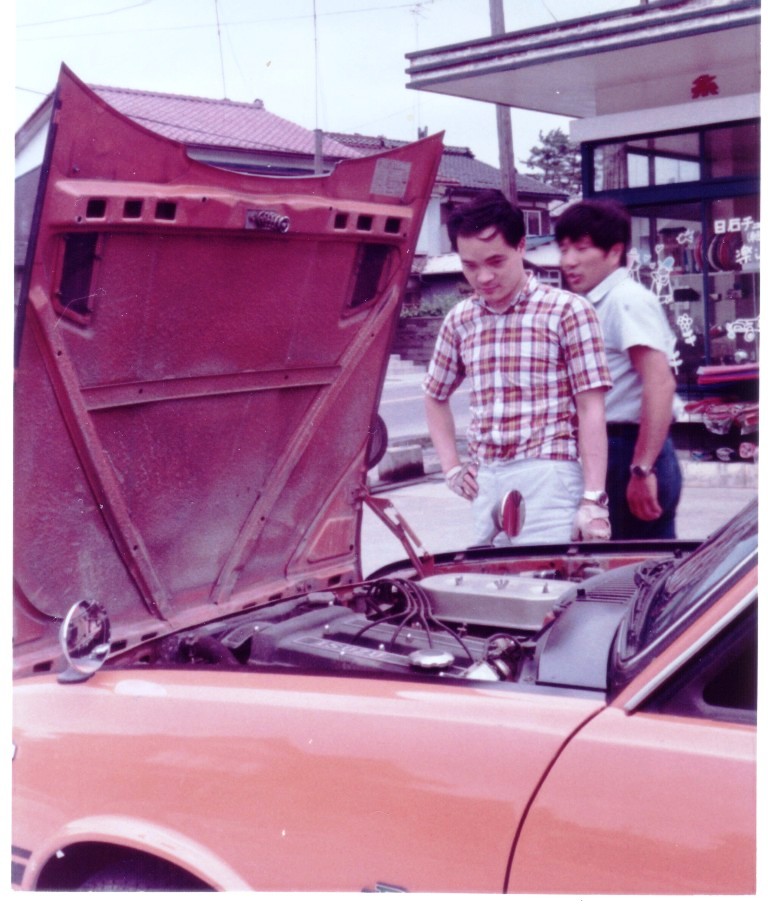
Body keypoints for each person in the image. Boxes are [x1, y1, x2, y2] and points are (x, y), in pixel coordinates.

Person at [423, 190, 612, 546]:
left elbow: (591, 408)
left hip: (548, 475)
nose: (483, 277)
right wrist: (451, 468)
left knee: (546, 587)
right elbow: (434, 395)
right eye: (470, 265)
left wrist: (593, 499)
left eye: (496, 261)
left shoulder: (567, 311)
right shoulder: (460, 319)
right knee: (492, 589)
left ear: (521, 246)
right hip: (485, 480)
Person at [555, 199, 682, 539]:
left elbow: (660, 384)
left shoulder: (625, 299)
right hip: (612, 450)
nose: (569, 261)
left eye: (581, 249)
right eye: (564, 249)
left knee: (631, 574)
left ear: (614, 252)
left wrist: (641, 470)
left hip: (628, 450)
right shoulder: (594, 302)